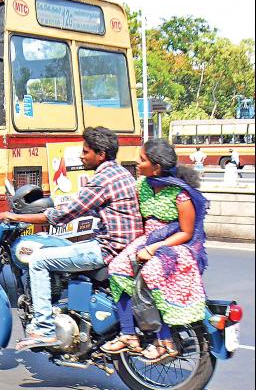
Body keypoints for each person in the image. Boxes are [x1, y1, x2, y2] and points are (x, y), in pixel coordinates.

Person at [0, 127, 142, 350]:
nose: (81, 156)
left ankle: (43, 328)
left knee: (39, 260)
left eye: (85, 152)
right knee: (63, 247)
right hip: (125, 248)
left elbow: (62, 216)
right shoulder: (122, 173)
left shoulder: (102, 179)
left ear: (100, 154)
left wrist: (16, 215)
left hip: (106, 250)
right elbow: (88, 207)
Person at [102, 139, 208, 363]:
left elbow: (186, 232)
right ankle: (128, 333)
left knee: (151, 274)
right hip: (147, 239)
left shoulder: (180, 195)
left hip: (175, 245)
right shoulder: (142, 186)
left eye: (142, 160)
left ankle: (165, 340)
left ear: (156, 167)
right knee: (117, 268)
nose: (137, 163)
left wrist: (154, 248)